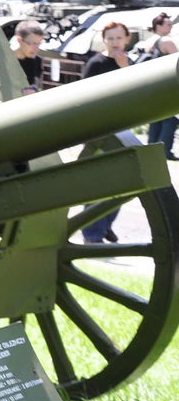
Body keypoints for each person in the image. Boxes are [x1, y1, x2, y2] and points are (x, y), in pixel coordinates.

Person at [81, 20, 134, 243]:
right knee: (97, 182)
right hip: (99, 128)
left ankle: (106, 224)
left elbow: (137, 90)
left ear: (127, 39)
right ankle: (92, 232)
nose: (115, 42)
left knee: (122, 181)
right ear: (104, 40)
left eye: (119, 38)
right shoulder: (95, 63)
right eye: (110, 38)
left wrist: (124, 67)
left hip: (122, 126)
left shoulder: (129, 63)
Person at [141, 12, 179, 159]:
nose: (171, 27)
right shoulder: (166, 41)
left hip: (152, 87)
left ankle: (152, 149)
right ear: (159, 26)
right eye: (168, 24)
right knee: (170, 119)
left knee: (155, 119)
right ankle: (165, 151)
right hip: (167, 86)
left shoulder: (149, 41)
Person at [10, 19, 46, 92]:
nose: (36, 49)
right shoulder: (5, 61)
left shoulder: (37, 61)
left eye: (39, 44)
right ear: (19, 40)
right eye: (33, 43)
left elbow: (36, 85)